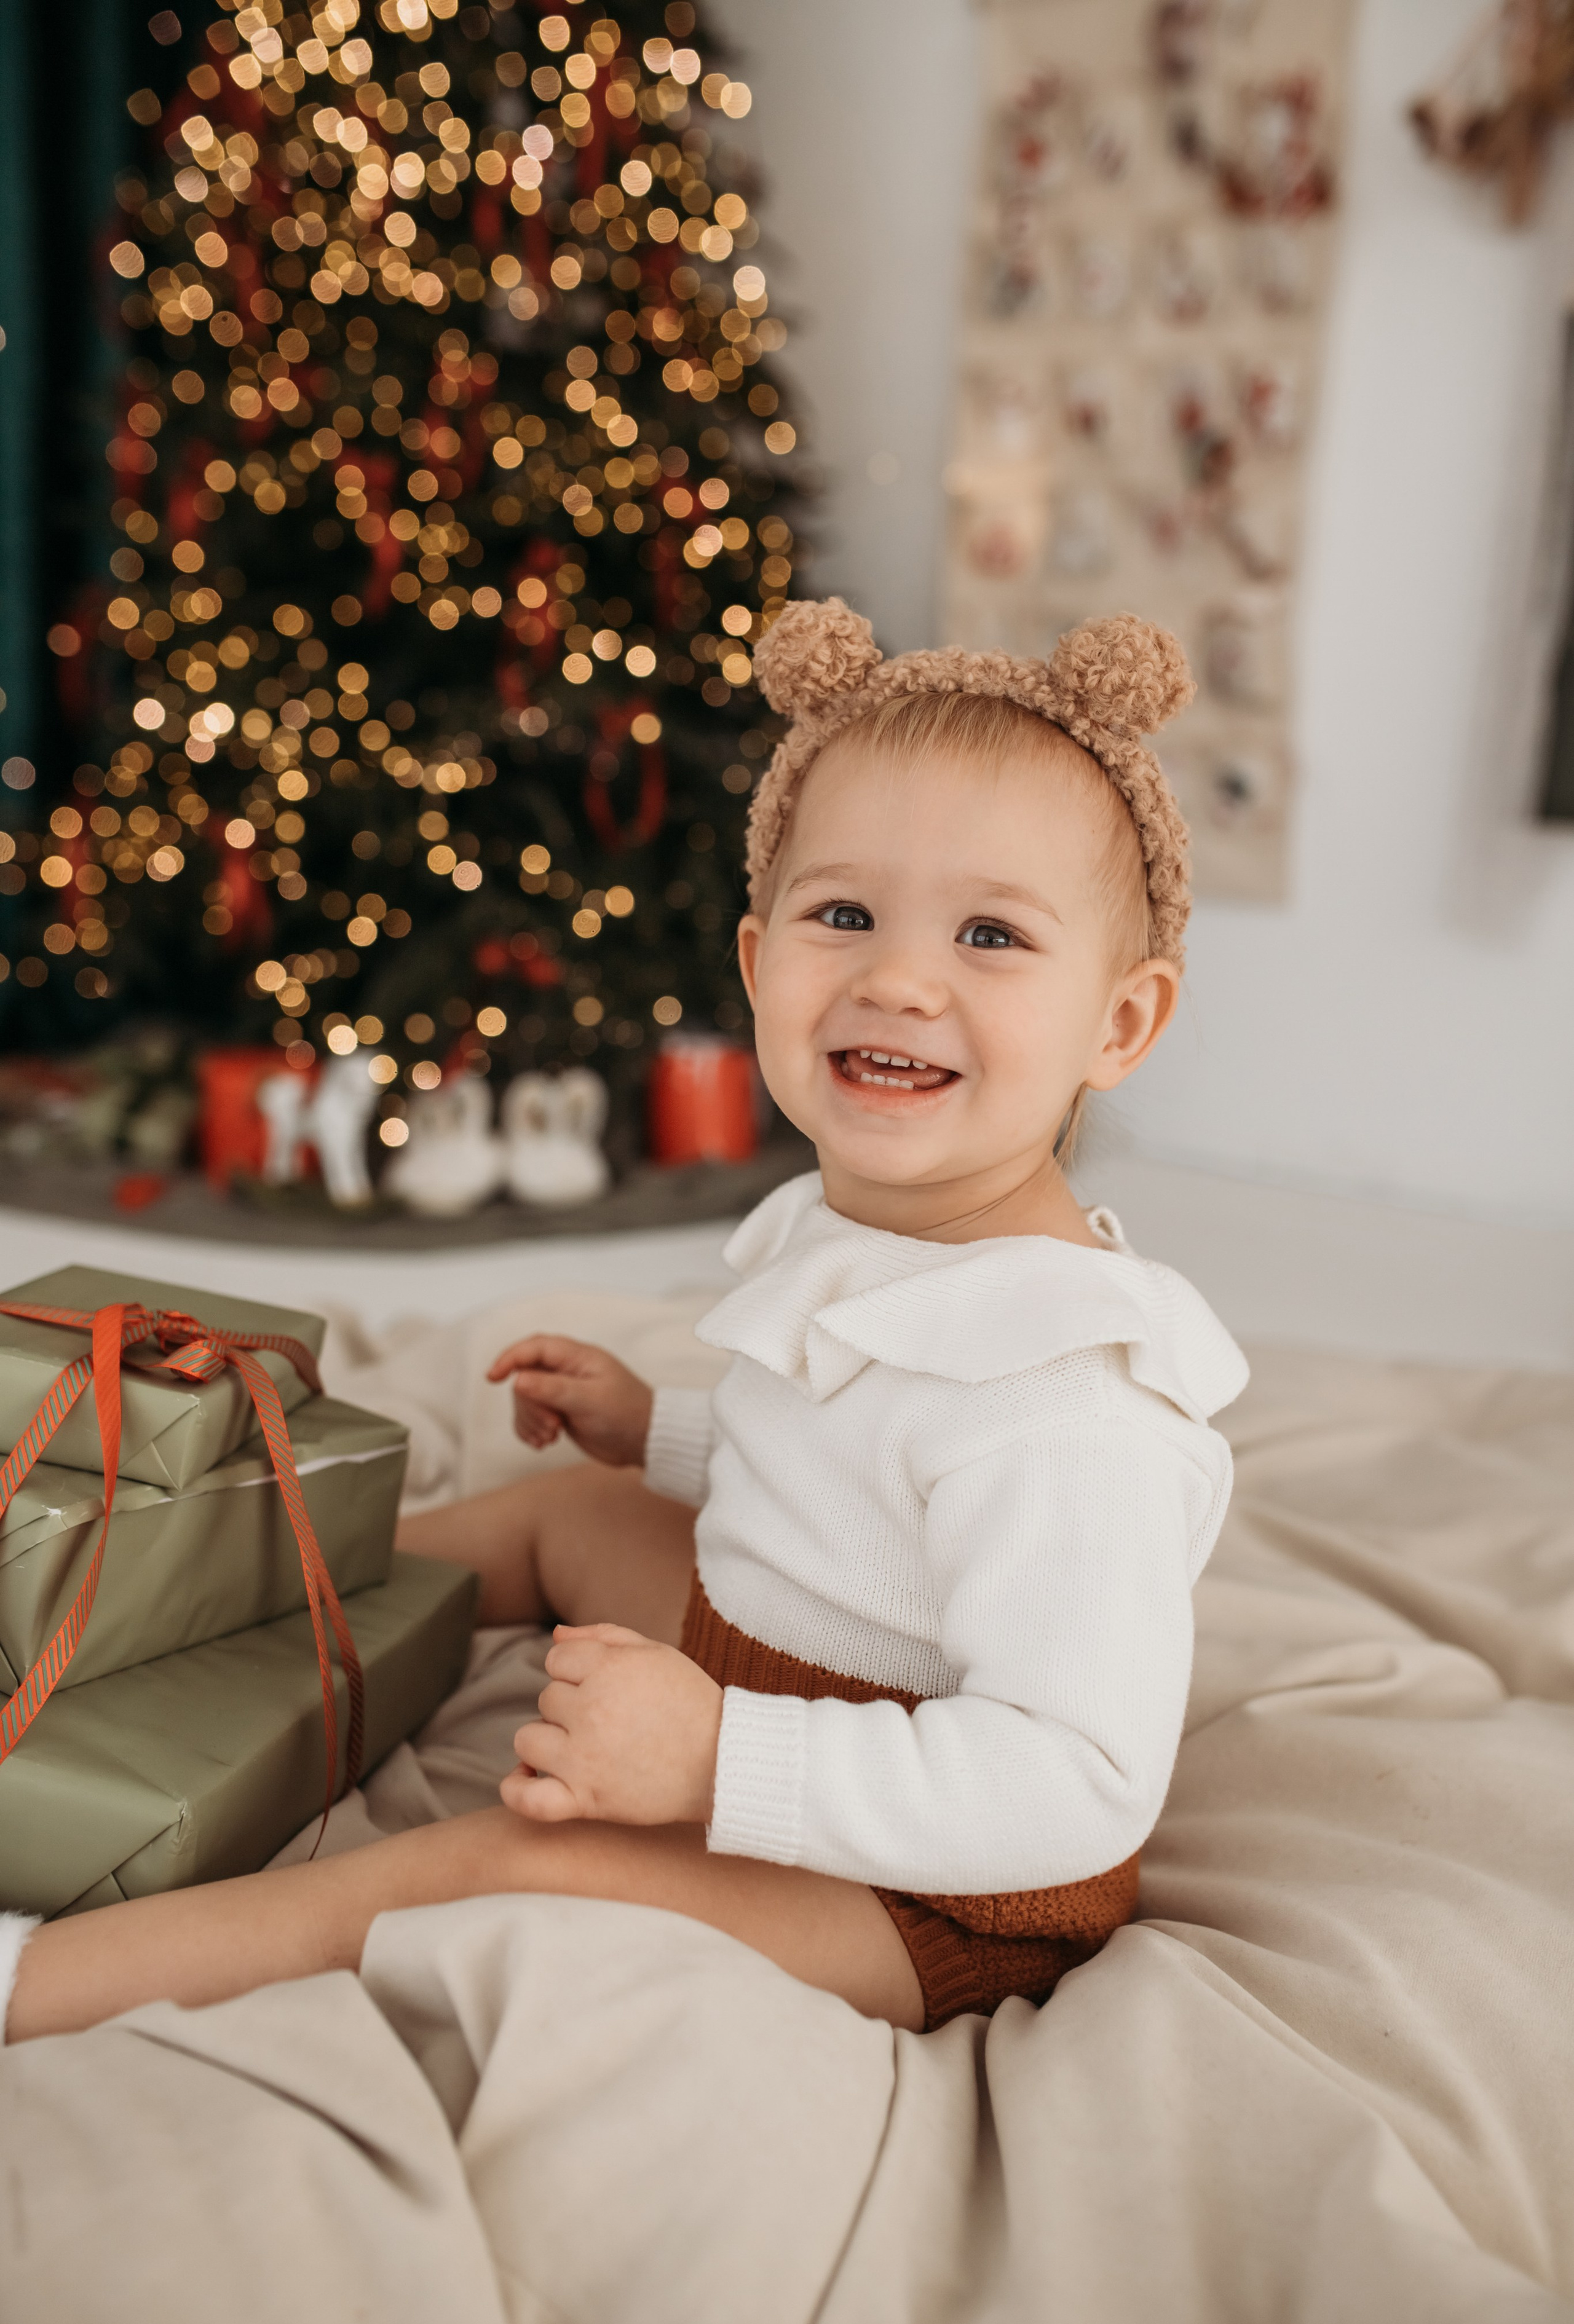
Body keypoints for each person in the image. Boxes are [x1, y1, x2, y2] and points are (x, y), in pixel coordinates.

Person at [1, 601, 1247, 2042]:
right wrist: (662, 1434)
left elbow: (1071, 1786)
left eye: (990, 934)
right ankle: (180, 1597)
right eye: (843, 915)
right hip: (780, 1666)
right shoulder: (878, 1227)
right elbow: (849, 1471)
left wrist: (721, 1758)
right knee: (566, 1514)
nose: (898, 979)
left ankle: (39, 1978)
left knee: (507, 1862)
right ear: (756, 961)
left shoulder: (1067, 1406)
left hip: (925, 1893)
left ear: (1118, 1024)